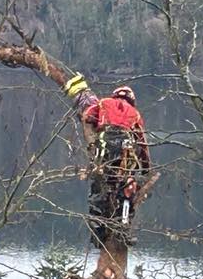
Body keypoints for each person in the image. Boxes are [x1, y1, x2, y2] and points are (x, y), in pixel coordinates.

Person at [63, 72, 151, 254]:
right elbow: (142, 142)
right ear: (131, 99)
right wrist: (145, 167)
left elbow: (88, 115)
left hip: (105, 146)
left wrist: (97, 125)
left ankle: (98, 227)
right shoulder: (135, 113)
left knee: (99, 185)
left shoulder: (103, 103)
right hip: (125, 152)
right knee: (127, 188)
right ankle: (123, 227)